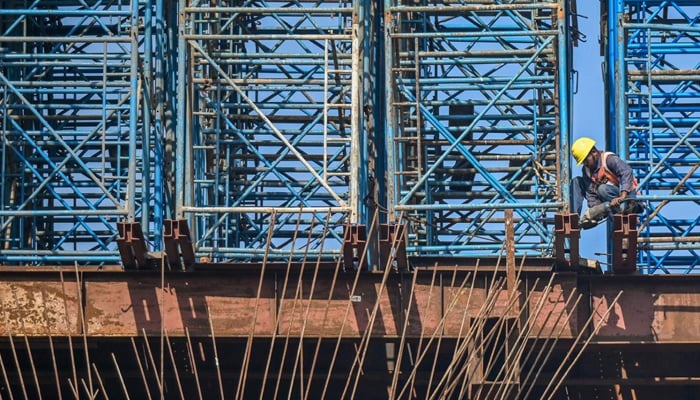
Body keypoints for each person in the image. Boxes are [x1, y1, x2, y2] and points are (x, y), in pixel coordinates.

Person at [571, 137, 643, 220]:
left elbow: (626, 172)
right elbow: (591, 194)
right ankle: (574, 219)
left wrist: (622, 196)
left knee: (602, 189)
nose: (585, 164)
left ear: (594, 152)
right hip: (610, 204)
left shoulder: (609, 159)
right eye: (583, 162)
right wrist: (595, 212)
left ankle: (624, 212)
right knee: (576, 181)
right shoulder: (587, 170)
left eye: (586, 160)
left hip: (630, 200)